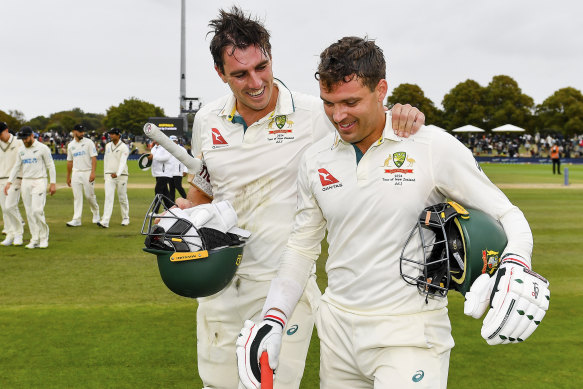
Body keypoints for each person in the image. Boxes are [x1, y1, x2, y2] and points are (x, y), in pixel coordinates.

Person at [236, 37, 548, 389]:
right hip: (337, 336)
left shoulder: (432, 146)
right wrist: (272, 320)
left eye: (350, 102)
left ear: (381, 89)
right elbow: (301, 247)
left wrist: (517, 262)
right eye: (329, 103)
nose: (338, 116)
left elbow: (509, 215)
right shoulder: (315, 159)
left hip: (411, 337)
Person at [181, 7, 424, 389]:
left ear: (271, 57)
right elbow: (204, 185)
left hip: (285, 288)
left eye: (262, 66)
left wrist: (406, 114)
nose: (256, 82)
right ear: (220, 74)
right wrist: (190, 211)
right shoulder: (207, 119)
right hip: (221, 288)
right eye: (240, 74)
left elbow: (369, 119)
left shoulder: (315, 114)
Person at [4, 126, 56, 249]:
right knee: (29, 212)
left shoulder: (42, 148)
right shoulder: (21, 150)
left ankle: (43, 238)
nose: (24, 141)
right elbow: (16, 167)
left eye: (26, 138)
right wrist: (9, 182)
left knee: (37, 211)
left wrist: (52, 183)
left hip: (39, 181)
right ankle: (34, 239)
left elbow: (50, 165)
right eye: (22, 139)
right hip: (26, 182)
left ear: (32, 135)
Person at [65, 124, 100, 227]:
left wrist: (93, 172)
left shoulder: (89, 143)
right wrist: (68, 176)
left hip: (87, 171)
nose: (82, 133)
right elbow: (69, 161)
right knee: (77, 197)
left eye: (83, 131)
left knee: (89, 196)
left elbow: (94, 158)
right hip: (76, 173)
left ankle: (96, 212)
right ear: (74, 132)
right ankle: (77, 219)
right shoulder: (70, 145)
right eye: (80, 131)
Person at [97, 128, 130, 228]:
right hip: (109, 175)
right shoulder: (107, 146)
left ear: (118, 135)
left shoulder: (124, 147)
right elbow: (106, 160)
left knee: (122, 197)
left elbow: (122, 162)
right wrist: (105, 174)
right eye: (110, 134)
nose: (111, 136)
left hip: (122, 176)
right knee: (108, 197)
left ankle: (125, 218)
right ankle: (105, 221)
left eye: (113, 134)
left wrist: (118, 173)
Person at [0, 122, 25, 246]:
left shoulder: (18, 142)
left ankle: (18, 234)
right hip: (0, 180)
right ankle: (10, 234)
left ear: (6, 130)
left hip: (15, 179)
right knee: (5, 209)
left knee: (10, 206)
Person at [148, 142, 174, 212]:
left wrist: (154, 157)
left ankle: (155, 211)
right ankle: (170, 209)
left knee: (158, 191)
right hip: (157, 173)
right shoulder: (153, 148)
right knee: (165, 193)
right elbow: (153, 160)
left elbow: (166, 157)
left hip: (165, 172)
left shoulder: (165, 146)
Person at [169, 135, 188, 199]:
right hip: (170, 172)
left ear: (176, 141)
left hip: (178, 171)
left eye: (173, 141)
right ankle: (171, 205)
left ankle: (186, 199)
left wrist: (185, 170)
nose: (172, 142)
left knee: (178, 186)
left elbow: (186, 160)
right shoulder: (168, 149)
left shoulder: (182, 149)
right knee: (171, 188)